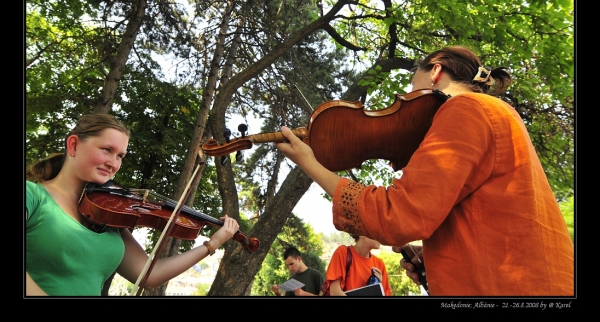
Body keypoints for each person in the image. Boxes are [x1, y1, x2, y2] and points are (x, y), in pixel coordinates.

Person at [275, 45, 574, 296]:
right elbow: (489, 217)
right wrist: (439, 254)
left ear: (435, 72)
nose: (408, 97)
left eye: (411, 86)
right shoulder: (502, 113)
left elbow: (399, 214)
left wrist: (309, 163)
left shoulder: (465, 108)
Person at [26, 113, 240, 296]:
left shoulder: (107, 214)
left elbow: (148, 275)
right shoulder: (32, 195)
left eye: (120, 156)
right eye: (106, 150)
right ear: (73, 145)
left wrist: (211, 244)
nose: (113, 163)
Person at [326, 235, 392, 296]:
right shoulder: (343, 253)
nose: (381, 236)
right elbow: (334, 292)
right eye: (376, 232)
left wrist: (378, 288)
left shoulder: (379, 264)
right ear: (362, 234)